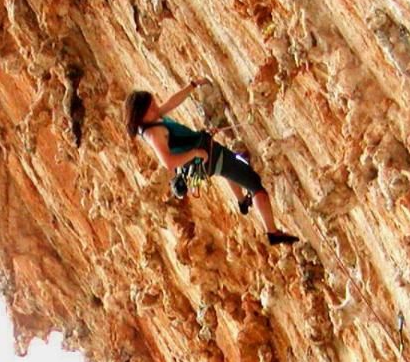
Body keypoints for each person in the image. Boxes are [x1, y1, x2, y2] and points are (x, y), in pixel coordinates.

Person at [123, 80, 300, 246]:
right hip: (206, 158)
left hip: (204, 158)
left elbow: (170, 103)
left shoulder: (151, 119)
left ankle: (242, 201)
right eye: (151, 107)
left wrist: (192, 85)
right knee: (255, 185)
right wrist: (196, 151)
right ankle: (273, 233)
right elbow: (168, 162)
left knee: (229, 167)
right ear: (141, 113)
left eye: (153, 104)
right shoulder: (153, 134)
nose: (156, 108)